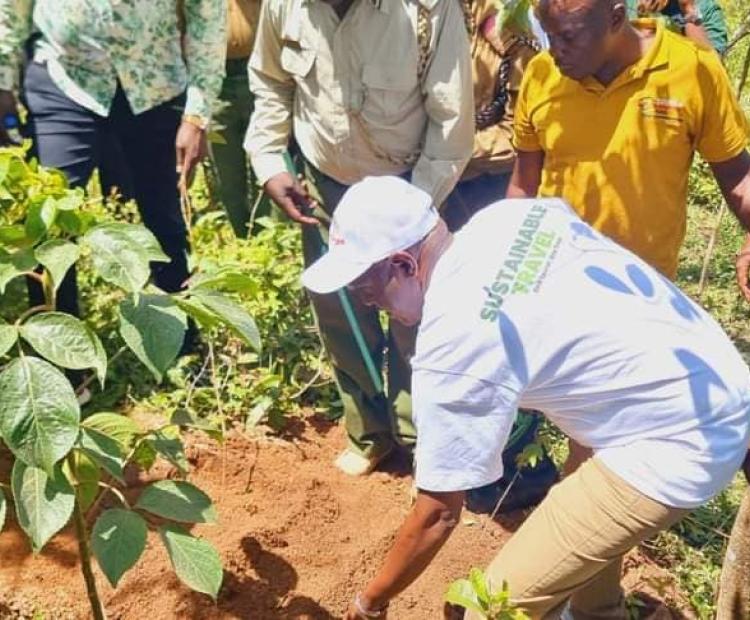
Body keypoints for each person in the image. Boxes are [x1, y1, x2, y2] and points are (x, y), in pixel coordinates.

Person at [299, 175, 750, 619]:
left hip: (678, 441)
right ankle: (598, 612)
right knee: (578, 489)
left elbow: (438, 514)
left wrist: (370, 602)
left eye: (364, 284)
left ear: (403, 265)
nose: (363, 299)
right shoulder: (510, 218)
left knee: (487, 610)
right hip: (709, 371)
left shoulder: (452, 343)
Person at [508, 0, 750, 472]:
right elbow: (524, 182)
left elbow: (738, 178)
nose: (555, 50)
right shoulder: (540, 75)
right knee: (560, 410)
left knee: (608, 429)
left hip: (642, 296)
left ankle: (581, 518)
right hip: (555, 283)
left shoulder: (690, 70)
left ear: (616, 18)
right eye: (549, 34)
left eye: (570, 37)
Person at [244, 0, 474, 475]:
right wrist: (268, 160)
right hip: (327, 185)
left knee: (418, 319)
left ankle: (423, 442)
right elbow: (270, 80)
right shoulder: (286, 6)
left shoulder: (426, 10)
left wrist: (410, 217)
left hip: (412, 184)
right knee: (344, 312)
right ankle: (371, 433)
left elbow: (451, 119)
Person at [0, 0, 226, 320]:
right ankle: (61, 356)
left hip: (154, 85)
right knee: (47, 220)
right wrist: (2, 81)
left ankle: (180, 339)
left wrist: (197, 114)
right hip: (64, 80)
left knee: (164, 217)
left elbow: (208, 15)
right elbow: (11, 8)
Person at [441, 0, 557, 513]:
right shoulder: (438, 14)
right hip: (446, 180)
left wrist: (452, 154)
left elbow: (525, 125)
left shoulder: (510, 22)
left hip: (492, 183)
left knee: (503, 329)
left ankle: (519, 467)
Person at [208, 0, 274, 238]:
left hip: (257, 72)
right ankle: (242, 234)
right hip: (214, 79)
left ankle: (267, 231)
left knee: (265, 157)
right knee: (225, 167)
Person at [629, 0, 727, 54]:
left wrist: (688, 10)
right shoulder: (622, 5)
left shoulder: (706, 8)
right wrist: (640, 15)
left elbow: (714, 66)